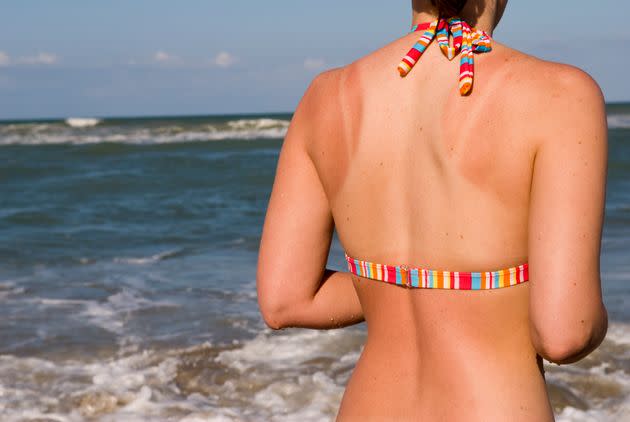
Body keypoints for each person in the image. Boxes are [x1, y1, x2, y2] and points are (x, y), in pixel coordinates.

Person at [256, 0, 609, 419]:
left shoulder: (325, 95)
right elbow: (564, 333)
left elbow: (286, 300)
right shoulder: (560, 94)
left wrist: (395, 285)